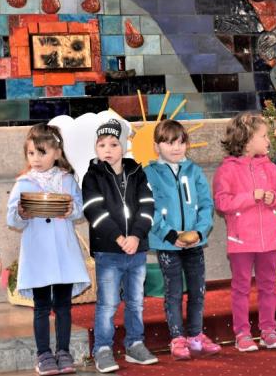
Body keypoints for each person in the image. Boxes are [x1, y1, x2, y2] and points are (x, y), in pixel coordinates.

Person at [7, 124, 90, 375]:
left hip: (63, 252)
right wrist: (21, 213)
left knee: (64, 305)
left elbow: (80, 209)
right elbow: (12, 219)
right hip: (38, 253)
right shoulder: (23, 183)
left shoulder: (66, 180)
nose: (36, 159)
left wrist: (70, 210)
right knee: (42, 306)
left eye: (42, 153)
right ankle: (43, 354)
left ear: (56, 152)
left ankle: (63, 351)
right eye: (31, 153)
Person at [82, 119, 157, 373]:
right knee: (108, 303)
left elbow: (147, 205)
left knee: (136, 302)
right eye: (102, 144)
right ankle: (102, 348)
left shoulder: (137, 172)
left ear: (123, 147)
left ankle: (135, 344)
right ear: (96, 148)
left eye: (114, 144)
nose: (108, 149)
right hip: (109, 251)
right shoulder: (92, 176)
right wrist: (118, 237)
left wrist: (135, 236)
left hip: (136, 250)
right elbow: (95, 211)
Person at [144, 119, 220, 360]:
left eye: (180, 142)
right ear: (157, 147)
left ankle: (196, 335)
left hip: (194, 242)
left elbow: (206, 205)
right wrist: (169, 234)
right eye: (168, 143)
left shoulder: (194, 171)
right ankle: (177, 338)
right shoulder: (150, 173)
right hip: (168, 243)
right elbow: (148, 208)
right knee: (174, 292)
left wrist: (200, 231)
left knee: (198, 290)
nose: (176, 148)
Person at [213, 112, 276, 352]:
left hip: (269, 239)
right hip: (242, 240)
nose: (268, 141)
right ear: (246, 140)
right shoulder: (227, 170)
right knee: (241, 288)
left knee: (268, 286)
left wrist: (273, 198)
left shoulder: (271, 168)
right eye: (264, 136)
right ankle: (242, 333)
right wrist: (250, 197)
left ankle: (268, 330)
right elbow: (222, 203)